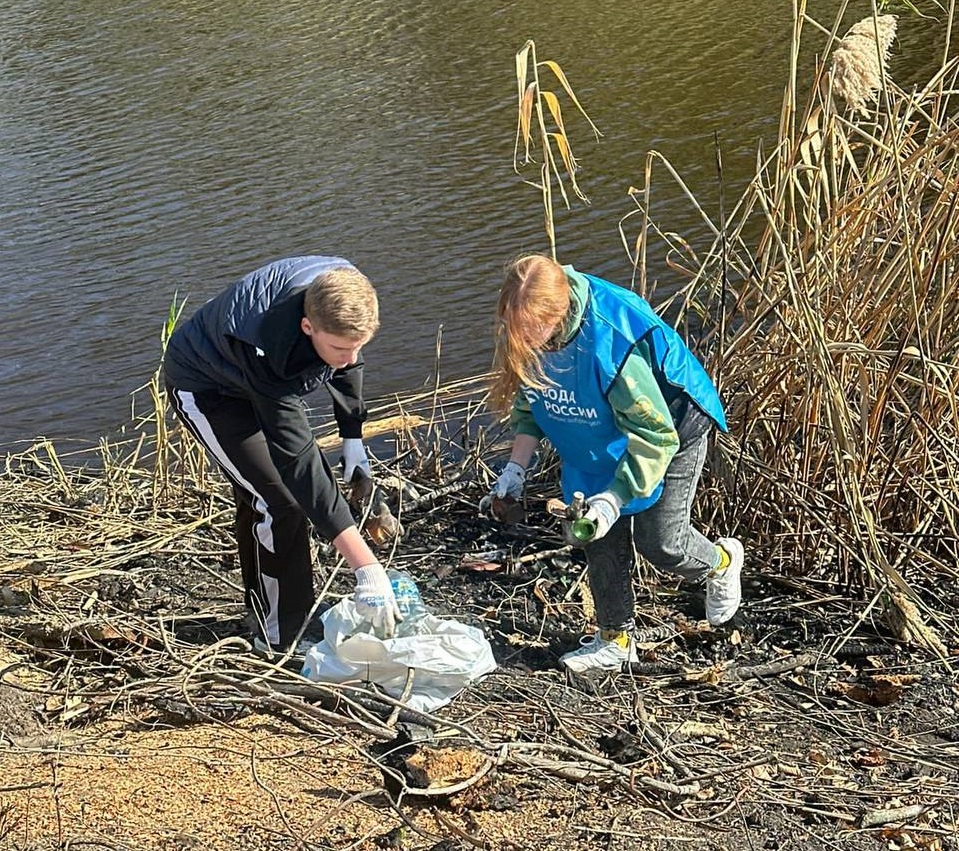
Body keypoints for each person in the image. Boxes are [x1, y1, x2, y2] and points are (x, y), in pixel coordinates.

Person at [483, 254, 743, 673]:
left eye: (532, 330)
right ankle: (615, 639)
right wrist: (515, 470)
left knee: (661, 543)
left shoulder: (610, 344)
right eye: (515, 329)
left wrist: (615, 498)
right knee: (594, 532)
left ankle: (722, 563)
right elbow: (533, 405)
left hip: (669, 428)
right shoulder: (525, 331)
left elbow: (656, 435)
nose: (522, 341)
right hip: (597, 428)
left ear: (559, 312)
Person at [163, 255, 402, 655]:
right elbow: (298, 459)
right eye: (338, 347)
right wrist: (365, 566)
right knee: (280, 501)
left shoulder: (345, 290)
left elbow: (347, 361)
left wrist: (352, 438)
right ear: (308, 326)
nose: (348, 357)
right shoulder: (266, 343)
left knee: (266, 495)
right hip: (207, 389)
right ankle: (278, 638)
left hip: (249, 375)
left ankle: (263, 609)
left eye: (357, 346)